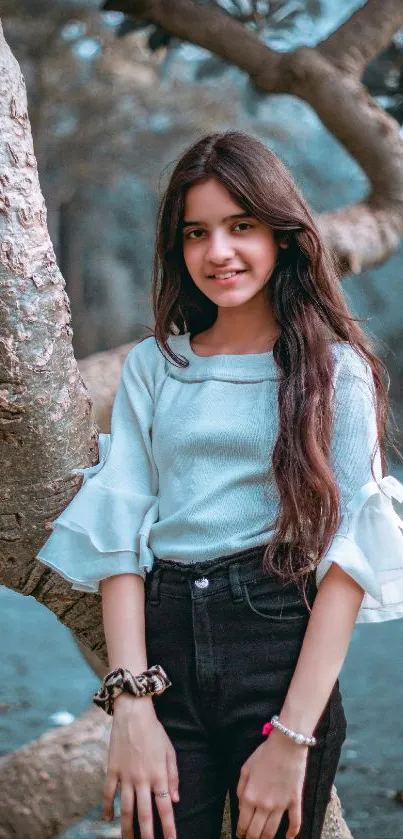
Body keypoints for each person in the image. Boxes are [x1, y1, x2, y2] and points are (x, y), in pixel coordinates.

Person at [36, 131, 403, 839]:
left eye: (241, 227)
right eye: (195, 232)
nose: (218, 252)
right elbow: (121, 531)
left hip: (277, 644)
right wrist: (131, 704)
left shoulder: (336, 373)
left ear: (282, 235)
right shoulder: (155, 366)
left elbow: (347, 562)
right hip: (163, 646)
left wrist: (292, 736)